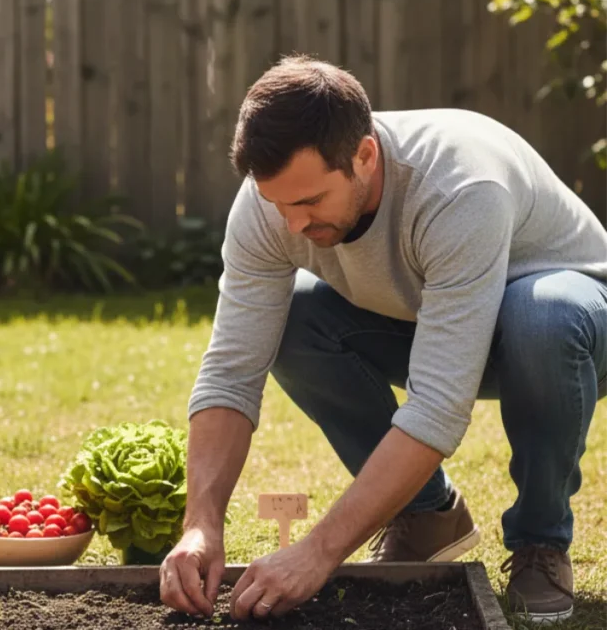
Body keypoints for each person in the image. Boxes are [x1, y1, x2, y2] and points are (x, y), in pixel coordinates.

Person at [160, 55, 607, 626]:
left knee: (541, 317)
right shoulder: (269, 206)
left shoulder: (458, 188)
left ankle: (540, 543)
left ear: (364, 156)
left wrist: (318, 551)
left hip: (571, 327)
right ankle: (428, 517)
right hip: (426, 316)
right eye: (278, 203)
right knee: (294, 316)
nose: (292, 224)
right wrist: (201, 523)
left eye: (309, 202)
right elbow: (231, 372)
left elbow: (439, 407)